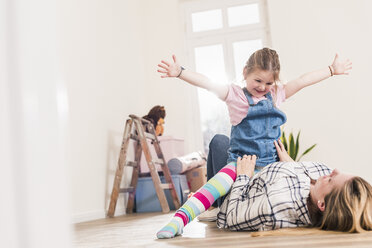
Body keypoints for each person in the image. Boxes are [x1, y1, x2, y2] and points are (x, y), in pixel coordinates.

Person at [156, 48, 353, 238]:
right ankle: (177, 222)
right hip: (239, 163)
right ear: (245, 73)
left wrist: (331, 70)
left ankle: (221, 209)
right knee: (211, 188)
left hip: (270, 167)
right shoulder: (236, 96)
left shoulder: (276, 94)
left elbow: (302, 81)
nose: (262, 87)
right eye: (258, 80)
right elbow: (207, 83)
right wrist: (180, 72)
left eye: (268, 83)